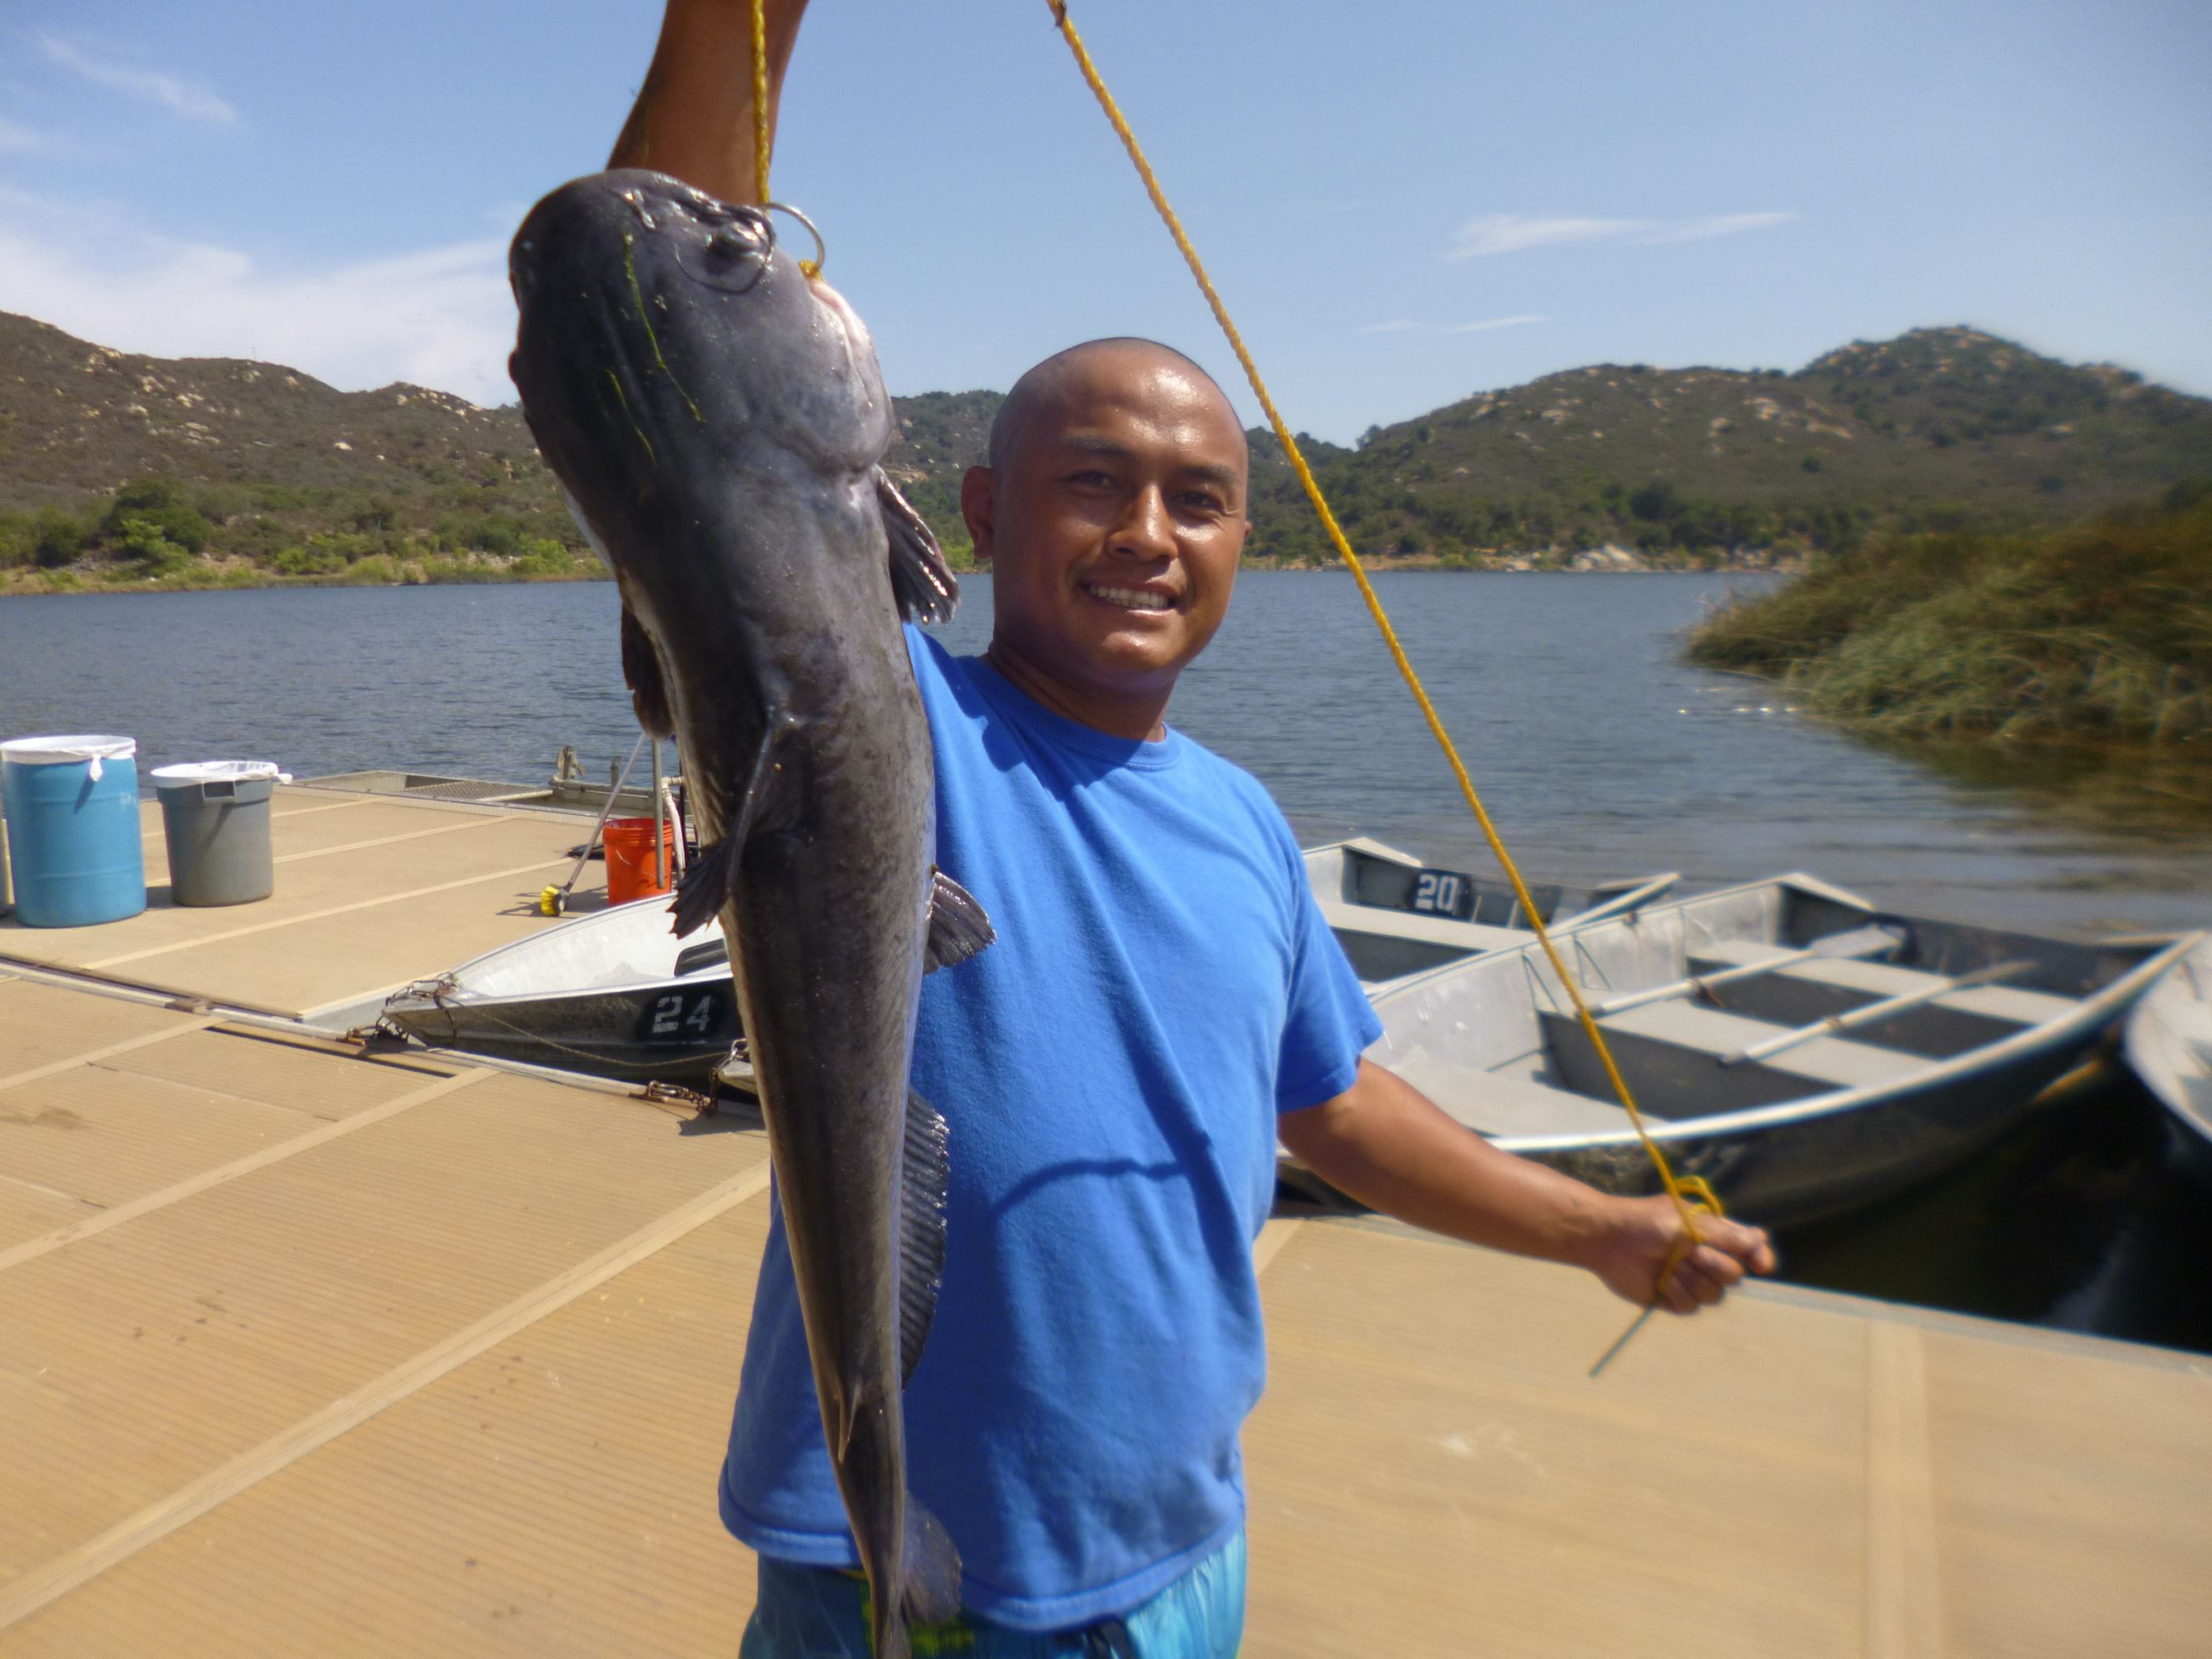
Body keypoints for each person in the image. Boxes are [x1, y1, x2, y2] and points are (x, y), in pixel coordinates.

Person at [608, 7, 1776, 1655]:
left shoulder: (1237, 820)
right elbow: (674, 370)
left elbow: (1332, 1106)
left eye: (1199, 497)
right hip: (907, 1559)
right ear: (986, 515)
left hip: (1174, 1553)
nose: (1149, 534)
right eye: (1095, 483)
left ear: (1242, 538)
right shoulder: (878, 720)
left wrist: (1596, 1229)